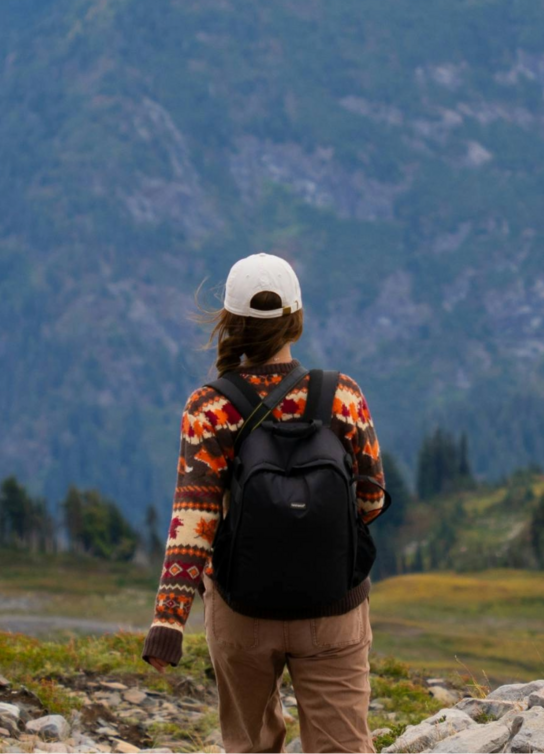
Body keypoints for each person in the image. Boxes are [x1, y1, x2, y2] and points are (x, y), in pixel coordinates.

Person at [142, 252, 387, 753]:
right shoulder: (341, 395)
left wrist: (168, 622)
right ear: (295, 318)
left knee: (250, 746)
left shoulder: (209, 407)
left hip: (242, 610)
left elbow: (195, 519)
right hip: (332, 608)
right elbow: (371, 499)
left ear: (229, 323)